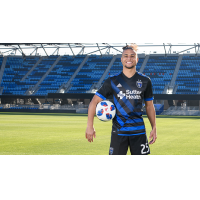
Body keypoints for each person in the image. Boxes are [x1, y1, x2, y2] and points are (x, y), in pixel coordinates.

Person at [85, 43, 157, 155]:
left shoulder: (145, 81)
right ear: (121, 59)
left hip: (139, 132)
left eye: (132, 56)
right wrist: (90, 126)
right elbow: (94, 102)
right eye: (126, 55)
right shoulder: (112, 81)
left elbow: (149, 106)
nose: (129, 58)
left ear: (137, 59)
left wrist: (154, 127)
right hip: (119, 132)